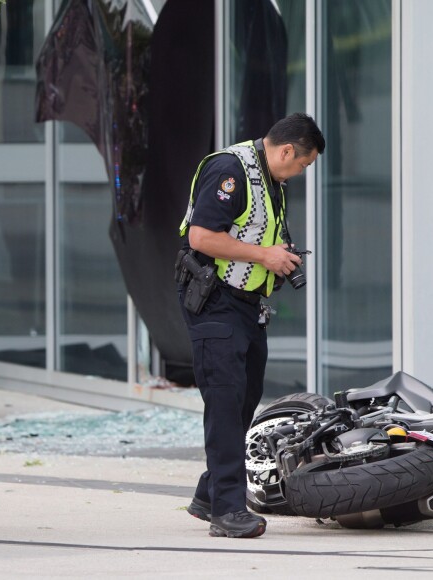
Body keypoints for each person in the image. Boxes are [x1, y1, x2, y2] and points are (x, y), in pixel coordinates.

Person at [176, 113, 325, 538]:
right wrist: (265, 256)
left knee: (245, 399)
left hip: (246, 304)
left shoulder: (270, 178)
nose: (300, 173)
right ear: (286, 151)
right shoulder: (230, 169)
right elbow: (201, 238)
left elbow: (255, 232)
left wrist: (279, 255)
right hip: (213, 297)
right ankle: (227, 511)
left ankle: (209, 494)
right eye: (303, 165)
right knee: (225, 400)